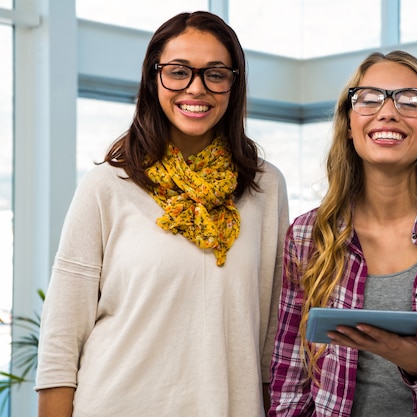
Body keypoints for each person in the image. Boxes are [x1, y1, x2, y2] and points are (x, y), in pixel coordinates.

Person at [35, 11, 289, 417]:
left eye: (216, 74)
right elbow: (63, 329)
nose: (196, 88)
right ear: (153, 79)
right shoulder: (107, 184)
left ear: (233, 84)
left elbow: (270, 326)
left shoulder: (265, 186)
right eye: (177, 71)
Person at [268, 50, 417, 416]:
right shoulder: (308, 235)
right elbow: (290, 374)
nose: (387, 111)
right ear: (349, 126)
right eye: (368, 99)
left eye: (410, 100)